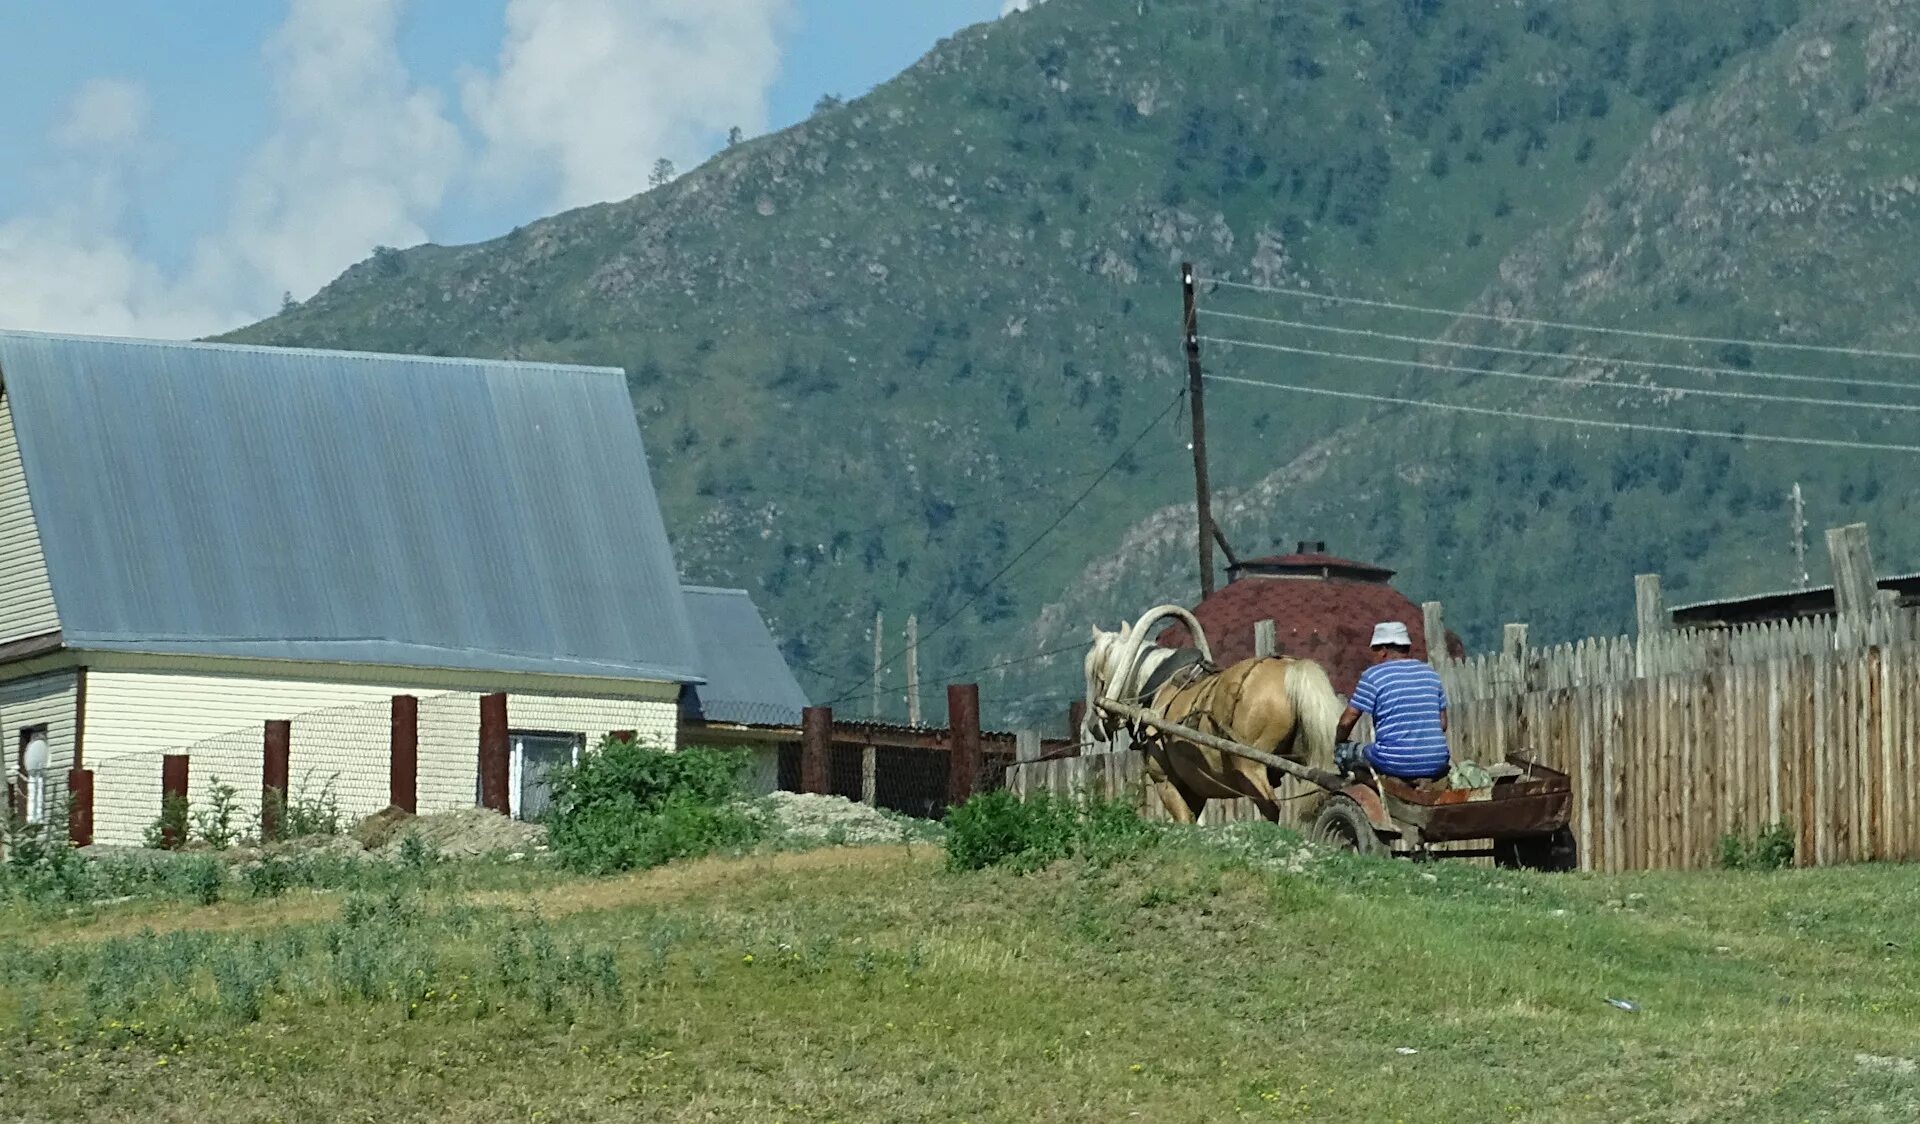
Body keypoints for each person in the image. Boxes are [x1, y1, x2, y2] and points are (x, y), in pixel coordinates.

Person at [1334, 621, 1451, 780]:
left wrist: (1338, 742)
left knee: (1342, 752)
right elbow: (1442, 724)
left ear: (1383, 651)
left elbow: (1347, 721)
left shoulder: (1374, 676)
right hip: (1437, 762)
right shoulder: (1430, 674)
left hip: (1393, 762)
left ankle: (1371, 793)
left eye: (1373, 650)